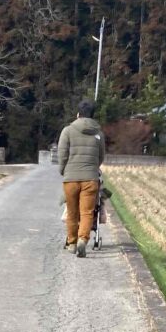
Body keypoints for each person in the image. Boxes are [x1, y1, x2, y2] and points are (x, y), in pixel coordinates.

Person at [57, 99, 106, 257]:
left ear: (78, 114)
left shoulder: (68, 131)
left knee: (72, 212)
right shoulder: (98, 133)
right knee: (87, 212)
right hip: (90, 178)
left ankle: (71, 243)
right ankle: (82, 241)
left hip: (71, 178)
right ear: (92, 115)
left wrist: (63, 170)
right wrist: (93, 167)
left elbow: (62, 154)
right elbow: (101, 156)